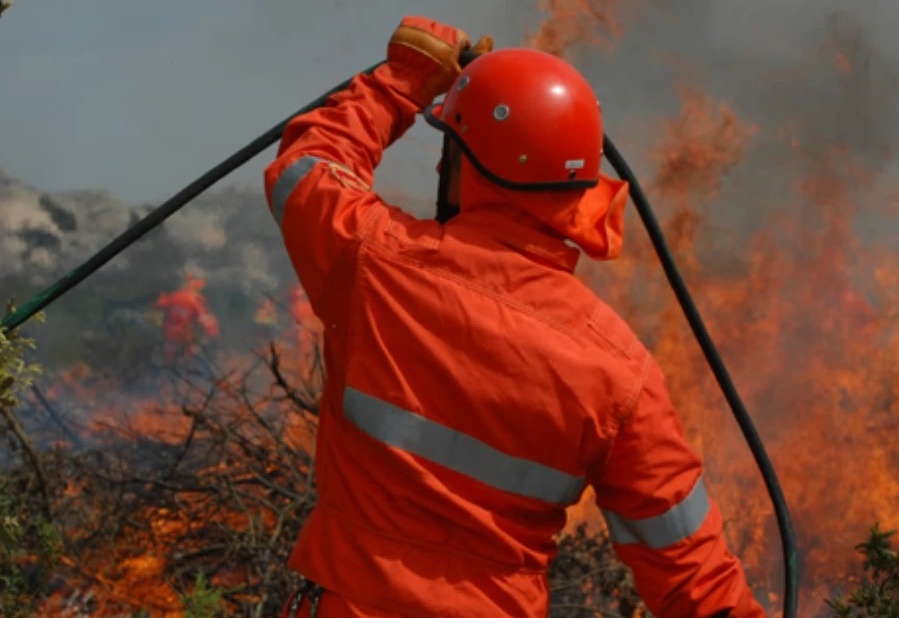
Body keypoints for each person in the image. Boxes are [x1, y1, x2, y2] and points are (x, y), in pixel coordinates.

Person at [265, 15, 766, 618]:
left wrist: (401, 81)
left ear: (474, 166)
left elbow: (308, 167)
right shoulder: (620, 375)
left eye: (450, 150)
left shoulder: (377, 266)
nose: (439, 169)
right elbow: (693, 574)